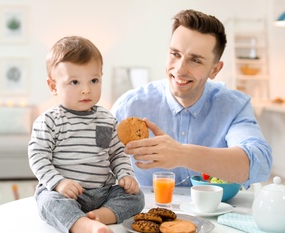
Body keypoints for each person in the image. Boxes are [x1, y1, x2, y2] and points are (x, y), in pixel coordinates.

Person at [110, 9, 273, 189]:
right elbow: (92, 160)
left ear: (215, 70)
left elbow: (259, 165)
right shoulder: (129, 105)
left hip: (217, 214)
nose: (180, 70)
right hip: (144, 211)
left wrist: (181, 154)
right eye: (175, 54)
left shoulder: (234, 107)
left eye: (195, 60)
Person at [28, 36, 145, 233]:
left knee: (136, 197)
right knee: (47, 202)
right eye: (75, 82)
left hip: (102, 193)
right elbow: (38, 156)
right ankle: (88, 227)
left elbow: (115, 154)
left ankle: (101, 216)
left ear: (101, 77)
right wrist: (58, 183)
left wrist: (125, 175)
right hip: (66, 194)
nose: (86, 90)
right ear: (53, 86)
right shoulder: (51, 120)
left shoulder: (105, 119)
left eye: (93, 81)